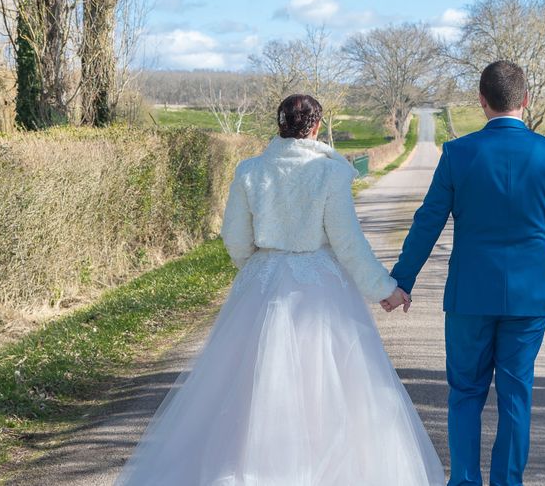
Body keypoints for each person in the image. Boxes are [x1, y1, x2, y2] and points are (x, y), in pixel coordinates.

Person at [115, 94, 445, 486]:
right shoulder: (331, 173)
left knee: (245, 390)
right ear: (317, 127)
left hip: (262, 284)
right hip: (319, 291)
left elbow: (235, 237)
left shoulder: (250, 171)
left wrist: (258, 269)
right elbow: (347, 242)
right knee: (327, 393)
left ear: (279, 124)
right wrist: (384, 289)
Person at [386, 61, 545, 486]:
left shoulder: (458, 153)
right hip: (530, 298)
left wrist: (402, 280)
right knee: (516, 397)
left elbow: (428, 220)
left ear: (481, 101)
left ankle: (465, 482)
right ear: (526, 100)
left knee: (465, 394)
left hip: (470, 297)